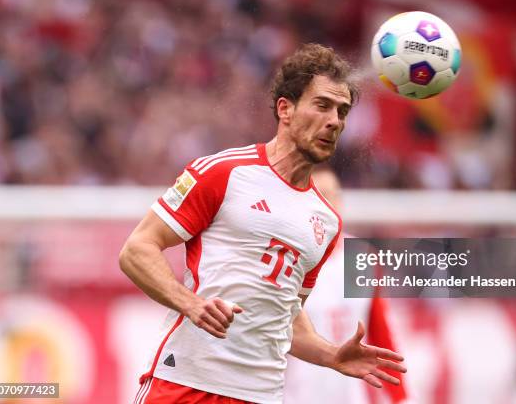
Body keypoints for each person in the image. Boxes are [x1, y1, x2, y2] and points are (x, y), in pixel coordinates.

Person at [119, 43, 407, 404]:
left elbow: (286, 315)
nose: (335, 120)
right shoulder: (224, 172)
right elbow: (136, 250)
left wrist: (330, 354)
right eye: (322, 105)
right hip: (187, 383)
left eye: (342, 111)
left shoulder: (326, 221)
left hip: (262, 395)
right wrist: (190, 303)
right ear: (285, 109)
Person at [284, 167, 408, 404]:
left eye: (333, 195)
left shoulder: (362, 258)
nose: (328, 204)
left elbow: (380, 332)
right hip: (295, 396)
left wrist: (400, 397)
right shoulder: (287, 262)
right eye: (318, 196)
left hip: (351, 397)